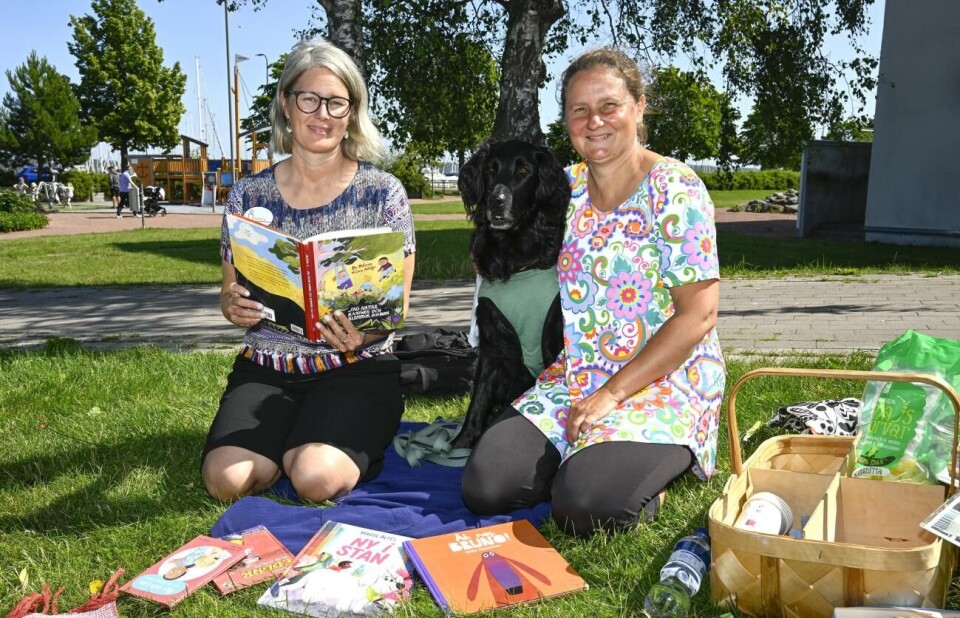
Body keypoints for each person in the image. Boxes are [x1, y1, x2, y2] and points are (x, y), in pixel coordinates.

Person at [461, 47, 725, 537]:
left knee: (584, 506)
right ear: (566, 120)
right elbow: (511, 230)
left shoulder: (675, 189)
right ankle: (592, 460)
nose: (594, 121)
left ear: (639, 107)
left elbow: (699, 317)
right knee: (486, 486)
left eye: (609, 106)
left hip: (663, 380)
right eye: (579, 110)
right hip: (577, 374)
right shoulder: (566, 188)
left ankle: (644, 467)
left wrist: (612, 394)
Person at [201, 39, 416, 504]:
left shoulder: (383, 194)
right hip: (268, 368)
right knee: (225, 480)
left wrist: (365, 336)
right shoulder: (248, 196)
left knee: (314, 480)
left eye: (337, 102)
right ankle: (288, 436)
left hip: (354, 368)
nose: (322, 114)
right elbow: (228, 294)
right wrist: (231, 306)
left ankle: (308, 441)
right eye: (309, 99)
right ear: (286, 103)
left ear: (351, 111)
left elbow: (396, 311)